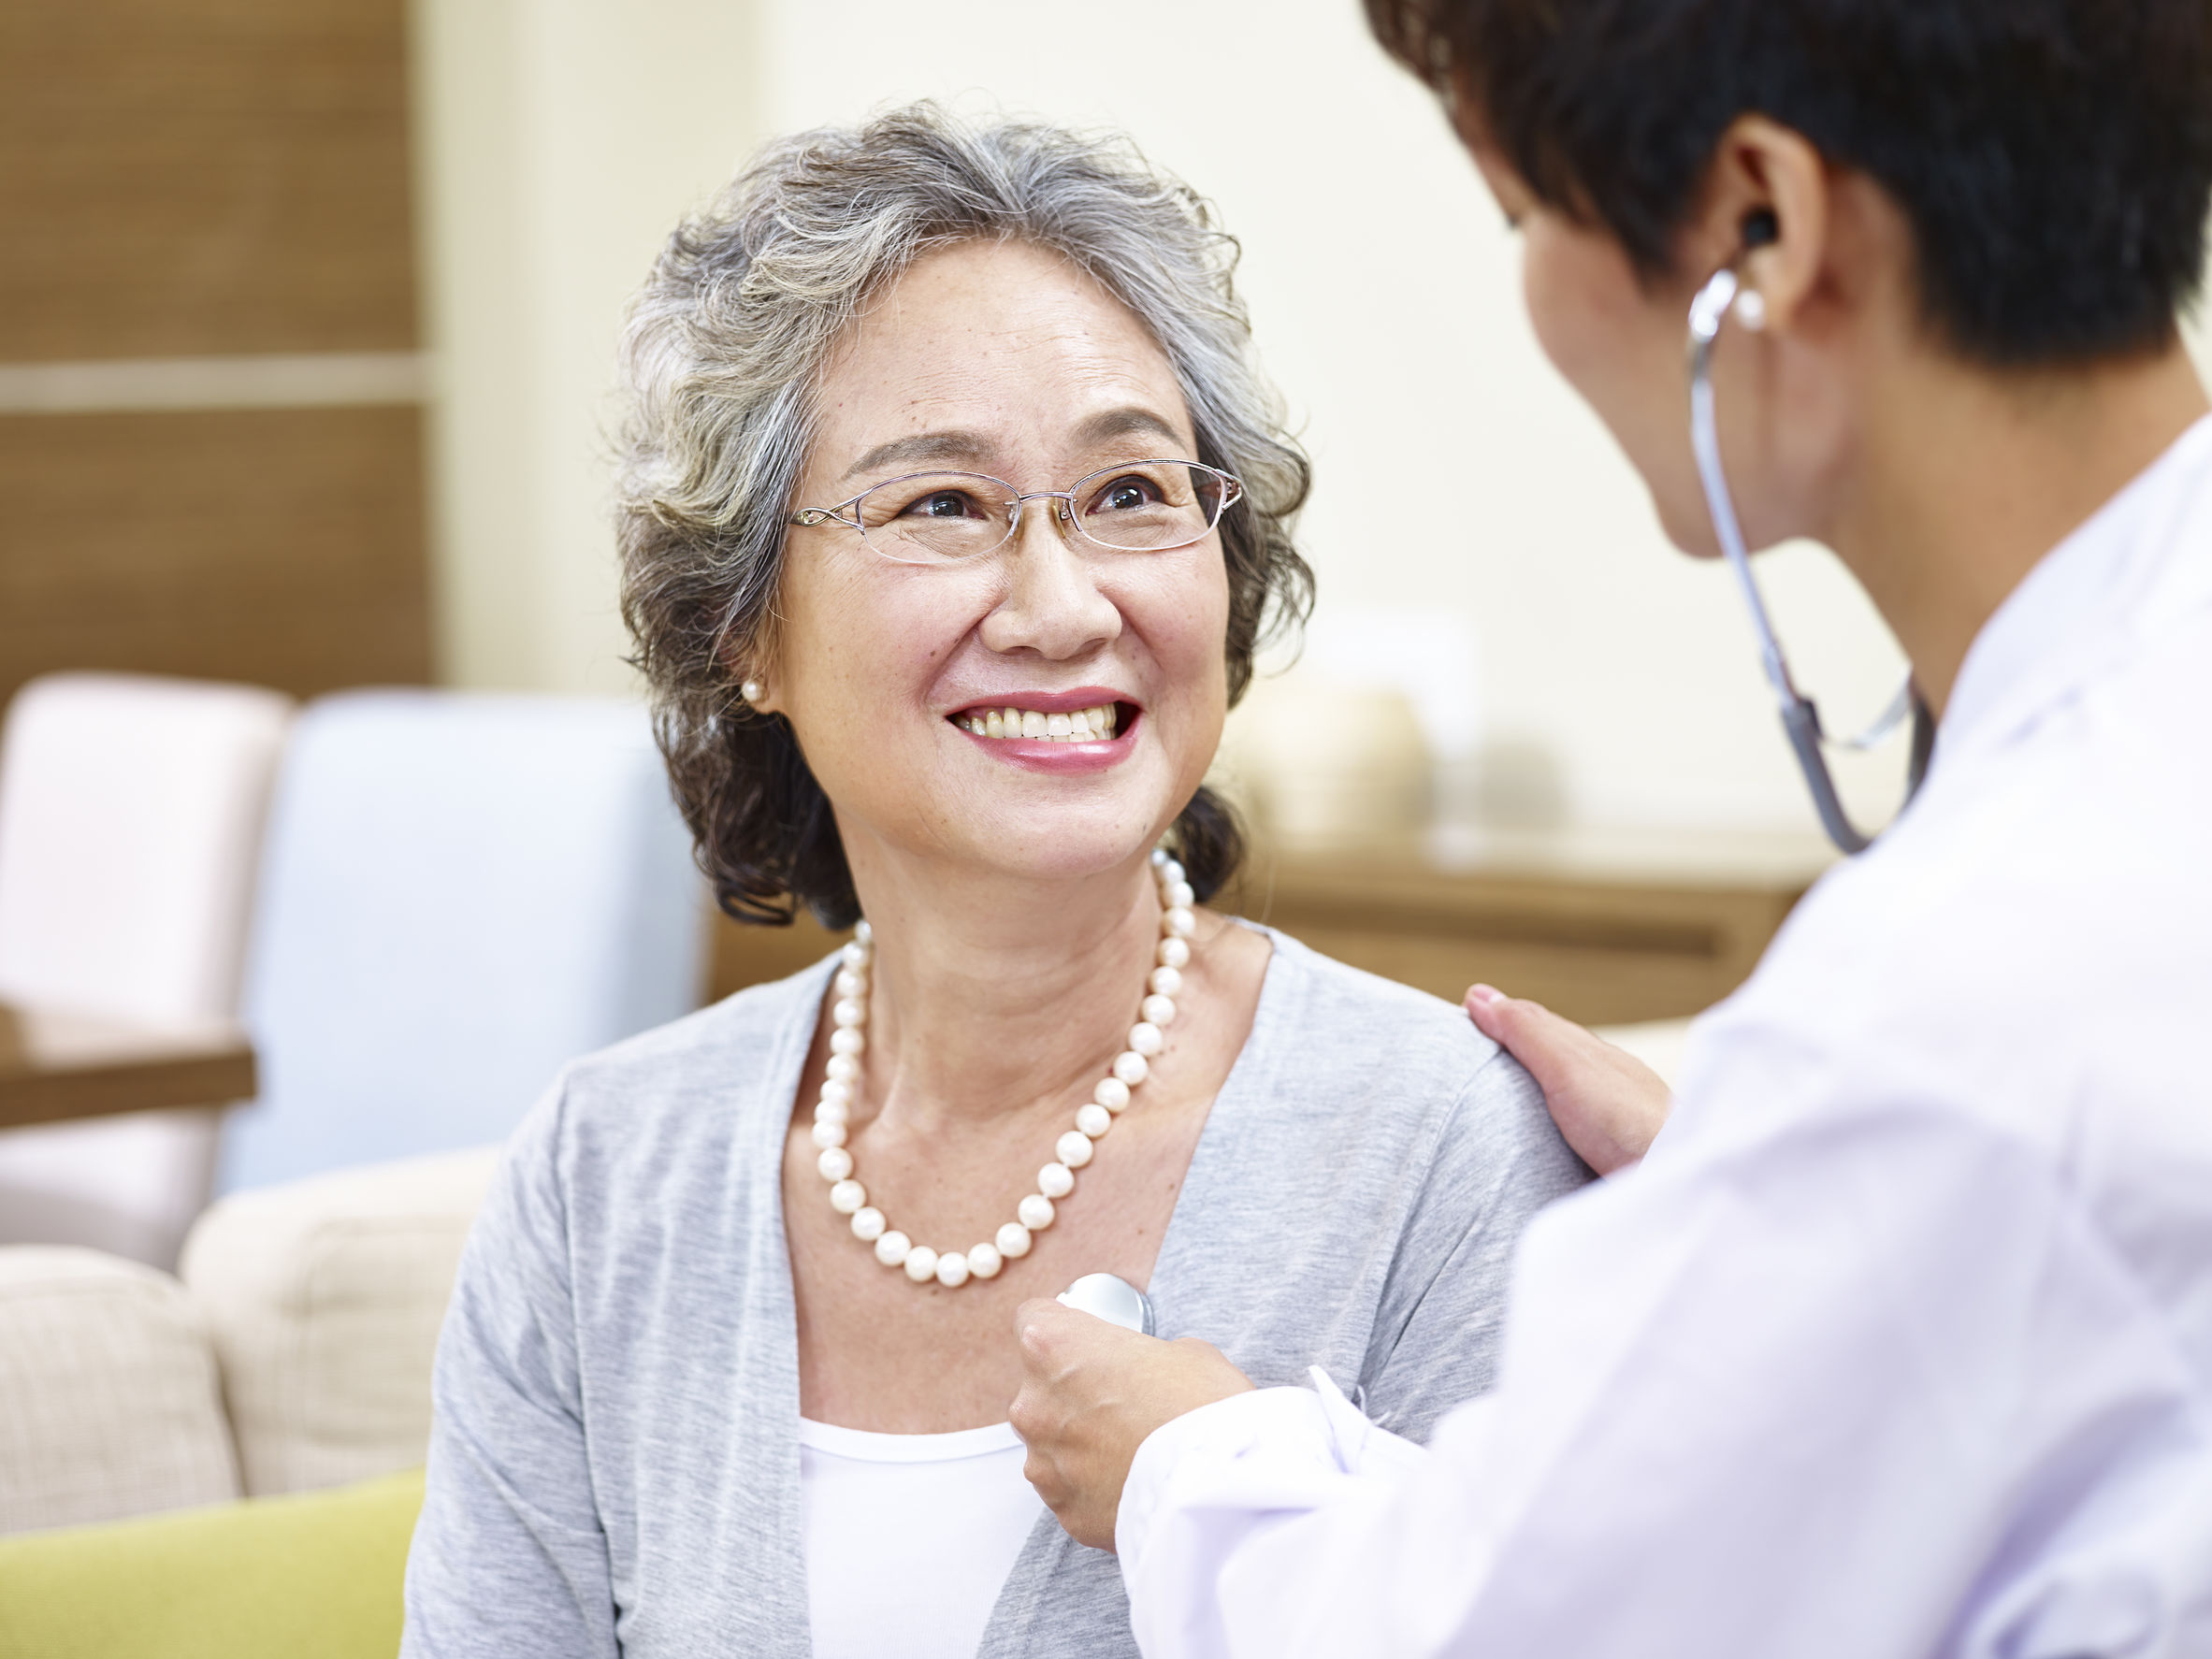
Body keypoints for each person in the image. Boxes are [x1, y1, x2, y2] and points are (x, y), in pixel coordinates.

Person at [1008, 2, 2212, 1653]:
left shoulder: (1954, 1004)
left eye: (1525, 218)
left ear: (1760, 222)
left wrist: (1189, 1466)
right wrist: (1770, 1205)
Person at [398, 106, 1589, 1659]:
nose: (1060, 603)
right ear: (744, 628)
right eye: (941, 505)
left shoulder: (1447, 1148)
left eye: (1131, 492)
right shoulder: (602, 1177)